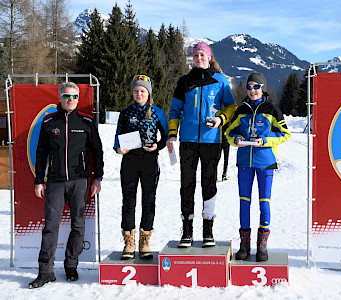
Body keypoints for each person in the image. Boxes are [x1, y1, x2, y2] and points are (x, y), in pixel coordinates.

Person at [30, 82, 104, 288]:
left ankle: (71, 266)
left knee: (78, 226)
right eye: (66, 96)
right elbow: (40, 153)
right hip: (54, 181)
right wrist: (38, 180)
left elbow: (98, 152)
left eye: (74, 97)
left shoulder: (87, 121)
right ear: (60, 97)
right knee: (50, 227)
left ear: (78, 99)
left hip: (80, 181)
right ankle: (45, 271)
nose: (70, 100)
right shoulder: (49, 121)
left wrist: (98, 178)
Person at [167, 43, 237, 248]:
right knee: (186, 185)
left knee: (209, 184)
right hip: (188, 141)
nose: (199, 58)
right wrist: (172, 133)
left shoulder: (220, 80)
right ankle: (186, 231)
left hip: (211, 141)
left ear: (209, 57)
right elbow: (174, 111)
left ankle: (208, 230)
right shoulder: (184, 82)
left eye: (202, 54)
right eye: (195, 55)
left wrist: (221, 119)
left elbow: (231, 106)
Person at [226, 72, 291, 261]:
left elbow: (285, 134)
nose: (252, 90)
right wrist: (236, 139)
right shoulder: (241, 110)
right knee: (244, 202)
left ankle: (262, 246)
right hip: (245, 163)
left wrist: (265, 140)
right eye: (249, 87)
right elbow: (229, 132)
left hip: (265, 163)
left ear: (262, 87)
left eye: (256, 86)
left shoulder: (272, 109)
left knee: (265, 202)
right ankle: (244, 246)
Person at [114, 75, 168, 260]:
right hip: (129, 162)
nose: (139, 94)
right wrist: (118, 148)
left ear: (148, 93)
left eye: (142, 91)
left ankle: (145, 241)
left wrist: (157, 146)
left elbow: (166, 137)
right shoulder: (126, 113)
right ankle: (129, 242)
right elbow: (117, 135)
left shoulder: (158, 113)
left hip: (149, 162)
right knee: (128, 201)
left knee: (148, 201)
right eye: (136, 91)